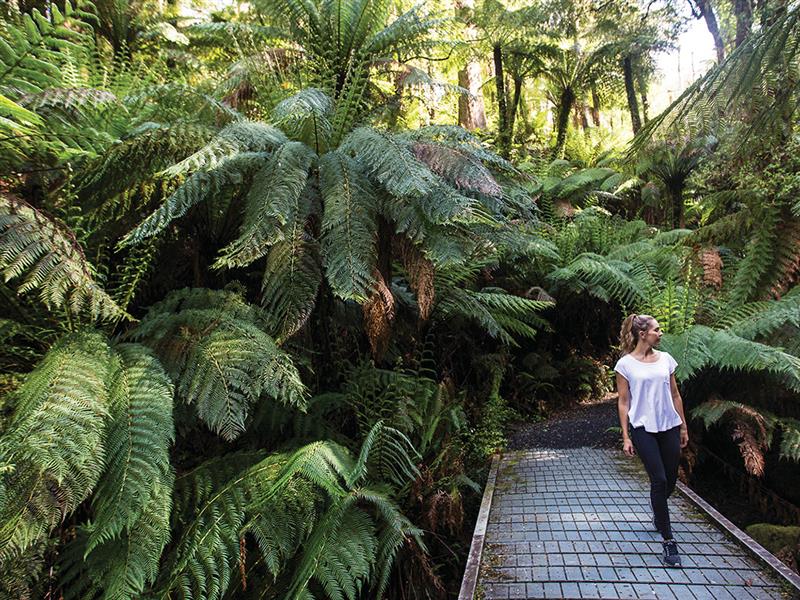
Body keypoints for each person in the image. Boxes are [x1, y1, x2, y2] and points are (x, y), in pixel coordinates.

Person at [614, 313, 689, 568]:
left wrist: (683, 426)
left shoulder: (666, 360)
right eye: (657, 330)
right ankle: (669, 541)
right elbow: (624, 402)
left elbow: (675, 395)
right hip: (642, 427)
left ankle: (659, 512)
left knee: (670, 480)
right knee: (658, 479)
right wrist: (625, 436)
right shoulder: (625, 365)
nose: (661, 333)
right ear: (643, 334)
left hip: (669, 425)